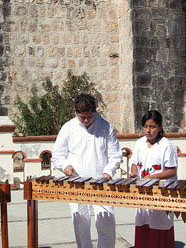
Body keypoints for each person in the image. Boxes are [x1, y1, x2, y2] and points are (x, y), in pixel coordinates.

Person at [51, 94, 122, 248]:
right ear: (75, 112)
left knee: (107, 222)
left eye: (89, 116)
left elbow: (115, 154)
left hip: (101, 183)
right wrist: (65, 166)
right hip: (77, 183)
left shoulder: (105, 126)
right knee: (80, 223)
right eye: (82, 117)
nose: (85, 120)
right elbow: (57, 156)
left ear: (94, 112)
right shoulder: (68, 128)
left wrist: (108, 172)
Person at [129, 110, 177, 248]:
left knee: (160, 224)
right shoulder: (139, 143)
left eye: (152, 127)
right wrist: (133, 173)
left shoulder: (166, 145)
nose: (148, 130)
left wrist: (154, 176)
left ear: (160, 127)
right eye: (145, 126)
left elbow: (171, 171)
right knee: (143, 224)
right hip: (143, 192)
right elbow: (134, 163)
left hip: (161, 193)